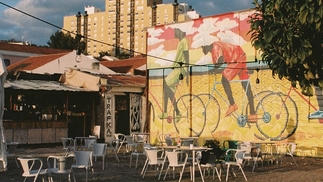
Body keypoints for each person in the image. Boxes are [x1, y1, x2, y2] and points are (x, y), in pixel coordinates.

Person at [201, 41, 257, 122]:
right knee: (245, 85)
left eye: (202, 47)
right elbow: (219, 63)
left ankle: (232, 104)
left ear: (206, 45)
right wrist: (215, 69)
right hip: (241, 55)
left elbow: (221, 60)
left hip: (237, 58)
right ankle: (253, 114)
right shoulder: (214, 50)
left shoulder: (215, 46)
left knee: (224, 80)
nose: (202, 50)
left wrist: (214, 69)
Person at [159, 28, 189, 122]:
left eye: (175, 31)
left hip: (181, 69)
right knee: (168, 91)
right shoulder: (181, 42)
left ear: (180, 32)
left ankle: (168, 112)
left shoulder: (184, 41)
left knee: (165, 82)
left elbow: (187, 55)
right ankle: (176, 112)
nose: (174, 33)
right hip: (177, 68)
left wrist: (187, 71)